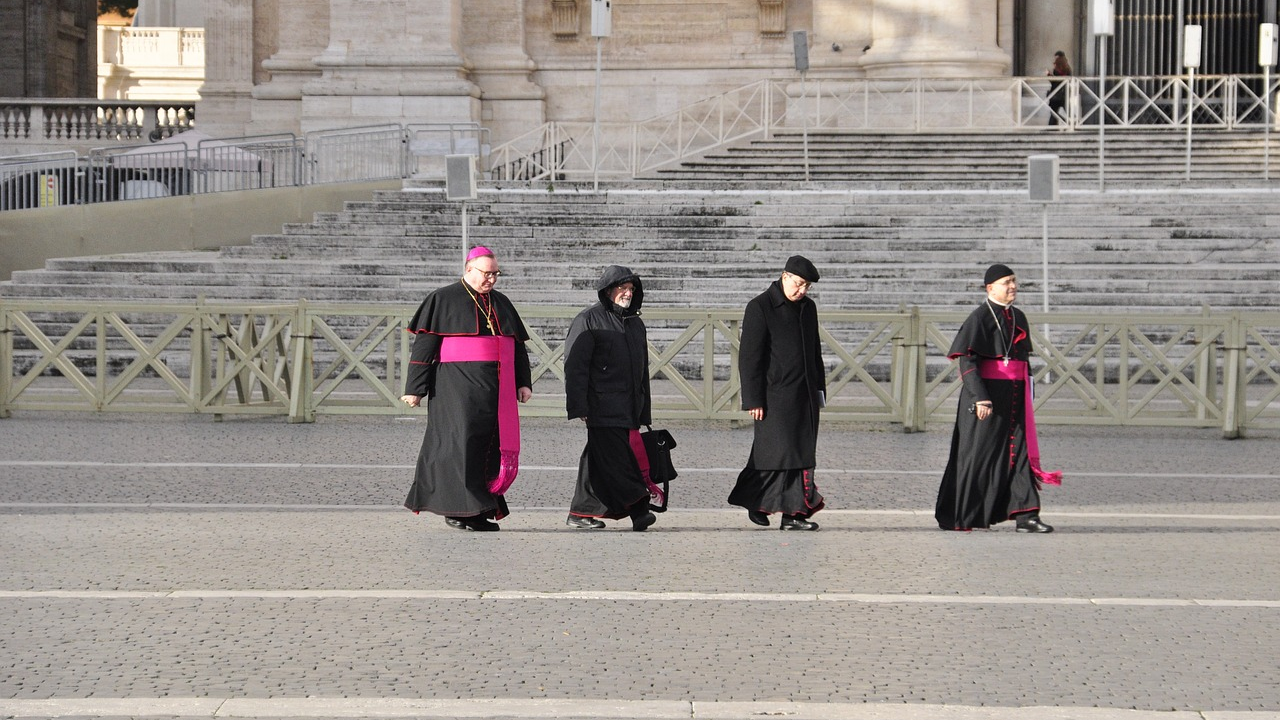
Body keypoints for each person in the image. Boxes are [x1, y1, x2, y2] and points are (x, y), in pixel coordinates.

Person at [401, 246, 533, 531]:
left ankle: (481, 505)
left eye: (495, 274)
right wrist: (415, 388)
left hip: (496, 389)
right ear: (469, 269)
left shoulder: (501, 302)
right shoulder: (442, 298)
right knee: (461, 445)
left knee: (488, 445)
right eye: (487, 274)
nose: (492, 280)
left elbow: (517, 346)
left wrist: (523, 382)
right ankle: (460, 510)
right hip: (456, 387)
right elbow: (424, 348)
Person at [935, 264, 1062, 533]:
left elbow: (1023, 359)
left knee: (1019, 454)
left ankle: (1027, 515)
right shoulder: (979, 318)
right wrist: (980, 397)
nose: (1013, 286)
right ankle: (962, 514)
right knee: (977, 456)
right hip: (987, 397)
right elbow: (967, 361)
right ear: (990, 287)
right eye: (1007, 282)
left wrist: (1029, 391)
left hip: (1015, 396)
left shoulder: (1018, 316)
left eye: (1014, 281)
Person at [729, 255, 827, 531]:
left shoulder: (809, 308)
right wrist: (753, 398)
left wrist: (819, 389)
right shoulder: (760, 307)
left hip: (805, 396)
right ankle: (767, 504)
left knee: (801, 453)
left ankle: (791, 514)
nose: (802, 290)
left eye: (807, 286)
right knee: (776, 453)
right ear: (784, 277)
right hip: (775, 397)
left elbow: (815, 351)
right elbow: (749, 358)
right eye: (798, 284)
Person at [562, 266, 659, 532]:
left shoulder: (636, 323)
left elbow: (642, 371)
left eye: (631, 289)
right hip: (601, 405)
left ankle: (581, 511)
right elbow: (575, 366)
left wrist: (644, 408)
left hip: (629, 405)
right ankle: (640, 509)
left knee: (598, 458)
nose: (627, 294)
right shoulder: (588, 320)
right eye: (622, 289)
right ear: (608, 291)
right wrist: (578, 404)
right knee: (619, 459)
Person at [1046, 50, 1072, 127]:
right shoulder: (1068, 68)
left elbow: (1055, 82)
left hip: (1056, 93)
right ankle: (1072, 123)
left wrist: (1048, 75)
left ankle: (1053, 126)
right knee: (1067, 111)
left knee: (1053, 112)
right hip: (1065, 93)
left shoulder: (1056, 69)